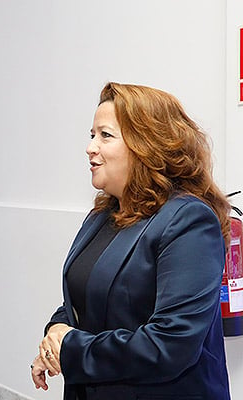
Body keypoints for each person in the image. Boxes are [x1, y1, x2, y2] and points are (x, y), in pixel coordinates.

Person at [30, 82, 231, 399]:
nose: (90, 147)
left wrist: (70, 349)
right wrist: (55, 331)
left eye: (105, 135)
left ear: (146, 145)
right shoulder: (103, 216)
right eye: (91, 135)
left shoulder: (189, 220)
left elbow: (170, 344)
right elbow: (85, 299)